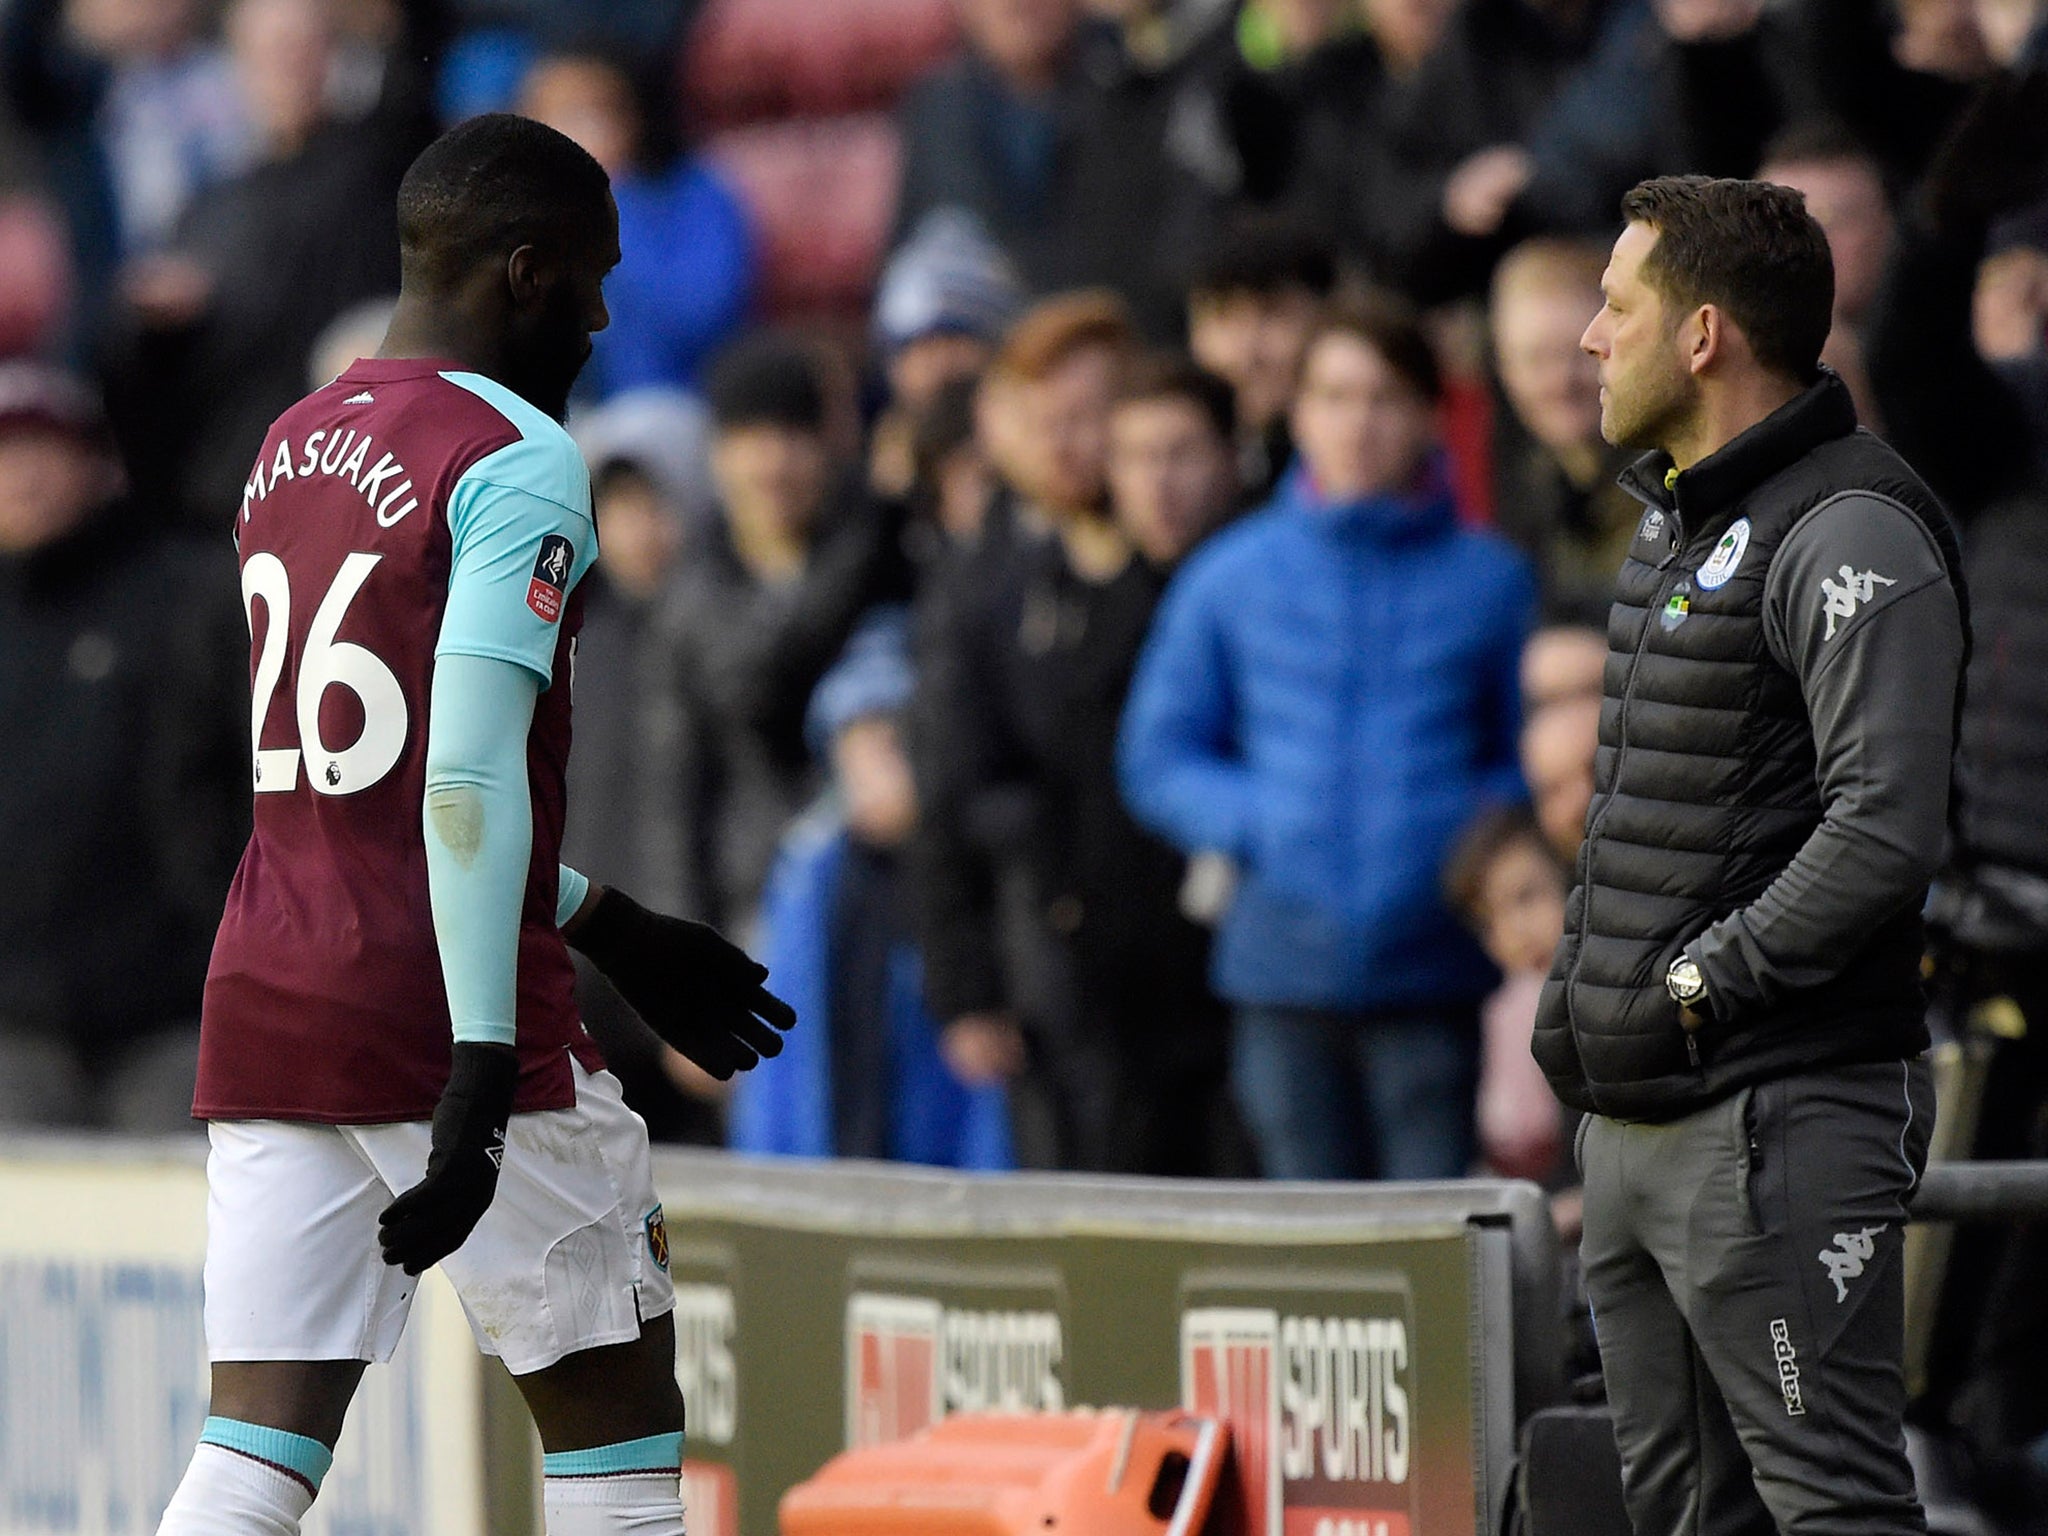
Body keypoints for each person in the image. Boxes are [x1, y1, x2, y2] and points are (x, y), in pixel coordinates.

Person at [157, 115, 793, 1536]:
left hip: (270, 990)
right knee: (617, 1451)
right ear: (527, 272)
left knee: (251, 1459)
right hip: (441, 1007)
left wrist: (601, 912)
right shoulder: (516, 453)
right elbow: (458, 779)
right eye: (594, 274)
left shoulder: (291, 439)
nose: (607, 310)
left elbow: (367, 789)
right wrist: (488, 1056)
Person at [1537, 175, 1968, 1536]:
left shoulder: (1851, 530)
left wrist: (1696, 983)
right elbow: (1641, 824)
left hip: (1774, 1113)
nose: (1588, 339)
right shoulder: (1676, 524)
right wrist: (1582, 1010)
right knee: (1678, 1519)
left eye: (1616, 307)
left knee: (1829, 1508)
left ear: (1706, 333)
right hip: (1646, 1118)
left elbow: (1886, 826)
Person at [1120, 296, 1534, 1182]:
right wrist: (1260, 820)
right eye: (1336, 396)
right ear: (1298, 412)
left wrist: (1469, 833)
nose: (1359, 423)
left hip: (1435, 968)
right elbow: (1158, 754)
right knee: (1309, 1258)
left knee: (1432, 1243)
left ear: (1430, 415)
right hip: (1278, 970)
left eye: (1384, 398)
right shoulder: (1230, 575)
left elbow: (1524, 754)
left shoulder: (1491, 580)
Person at [0, 361, 246, 1133]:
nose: (24, 477)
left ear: (97, 465)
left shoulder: (186, 598)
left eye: (47, 451)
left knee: (183, 1235)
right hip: (15, 1023)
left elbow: (229, 790)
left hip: (171, 1013)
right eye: (6, 455)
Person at [730, 610, 1014, 1170]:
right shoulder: (806, 873)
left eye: (897, 741)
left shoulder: (962, 871)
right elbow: (777, 1058)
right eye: (864, 744)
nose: (883, 765)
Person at [517, 46, 755, 400]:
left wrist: (607, 199)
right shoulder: (505, 211)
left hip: (671, 404)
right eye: (562, 114)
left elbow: (701, 317)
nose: (579, 132)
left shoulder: (696, 193)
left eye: (595, 113)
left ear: (633, 118)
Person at [1488, 237, 1645, 624]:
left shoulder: (1671, 481)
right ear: (1504, 368)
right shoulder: (1515, 485)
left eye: (1580, 356)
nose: (1561, 383)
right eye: (1535, 359)